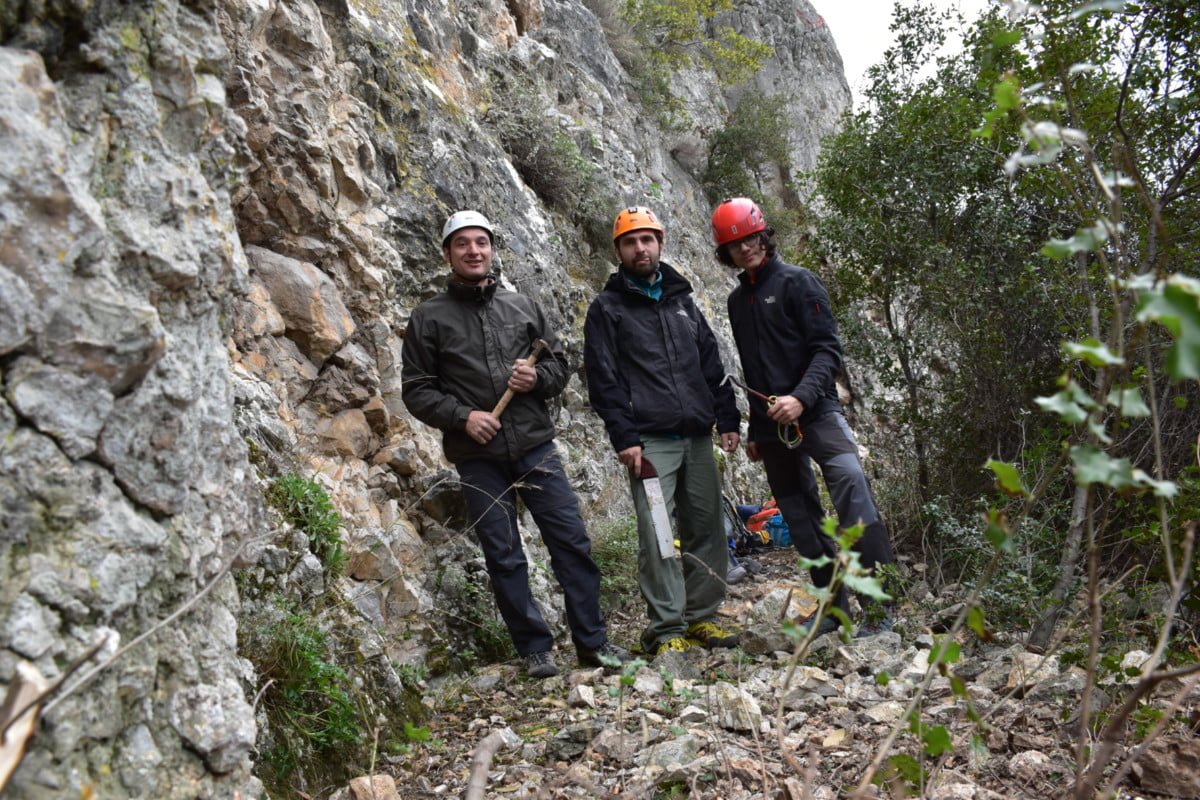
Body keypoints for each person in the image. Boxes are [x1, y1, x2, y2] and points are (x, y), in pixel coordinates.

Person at [401, 210, 629, 678]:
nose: (473, 250)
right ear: (447, 254)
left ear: (491, 249)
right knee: (503, 555)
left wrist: (535, 377)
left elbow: (559, 367)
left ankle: (593, 643)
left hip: (535, 448)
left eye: (481, 242)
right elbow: (417, 390)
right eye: (462, 243)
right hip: (478, 458)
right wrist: (465, 418)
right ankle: (535, 650)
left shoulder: (522, 306)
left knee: (572, 543)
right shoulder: (428, 318)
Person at [711, 197, 896, 635]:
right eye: (735, 244)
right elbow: (754, 369)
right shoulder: (738, 303)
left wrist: (800, 398)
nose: (746, 249)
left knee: (851, 486)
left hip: (817, 413)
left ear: (764, 235)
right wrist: (756, 428)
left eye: (751, 238)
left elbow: (826, 350)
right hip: (772, 426)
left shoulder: (799, 282)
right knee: (798, 514)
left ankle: (880, 605)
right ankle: (834, 608)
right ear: (726, 252)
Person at [584, 206, 742, 657]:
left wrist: (727, 419)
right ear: (618, 250)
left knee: (708, 528)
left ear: (661, 244)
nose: (641, 248)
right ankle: (667, 629)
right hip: (650, 442)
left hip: (697, 437)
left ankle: (702, 618)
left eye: (647, 239)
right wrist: (625, 438)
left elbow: (712, 366)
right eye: (631, 242)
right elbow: (604, 380)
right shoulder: (607, 309)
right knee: (658, 533)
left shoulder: (682, 303)